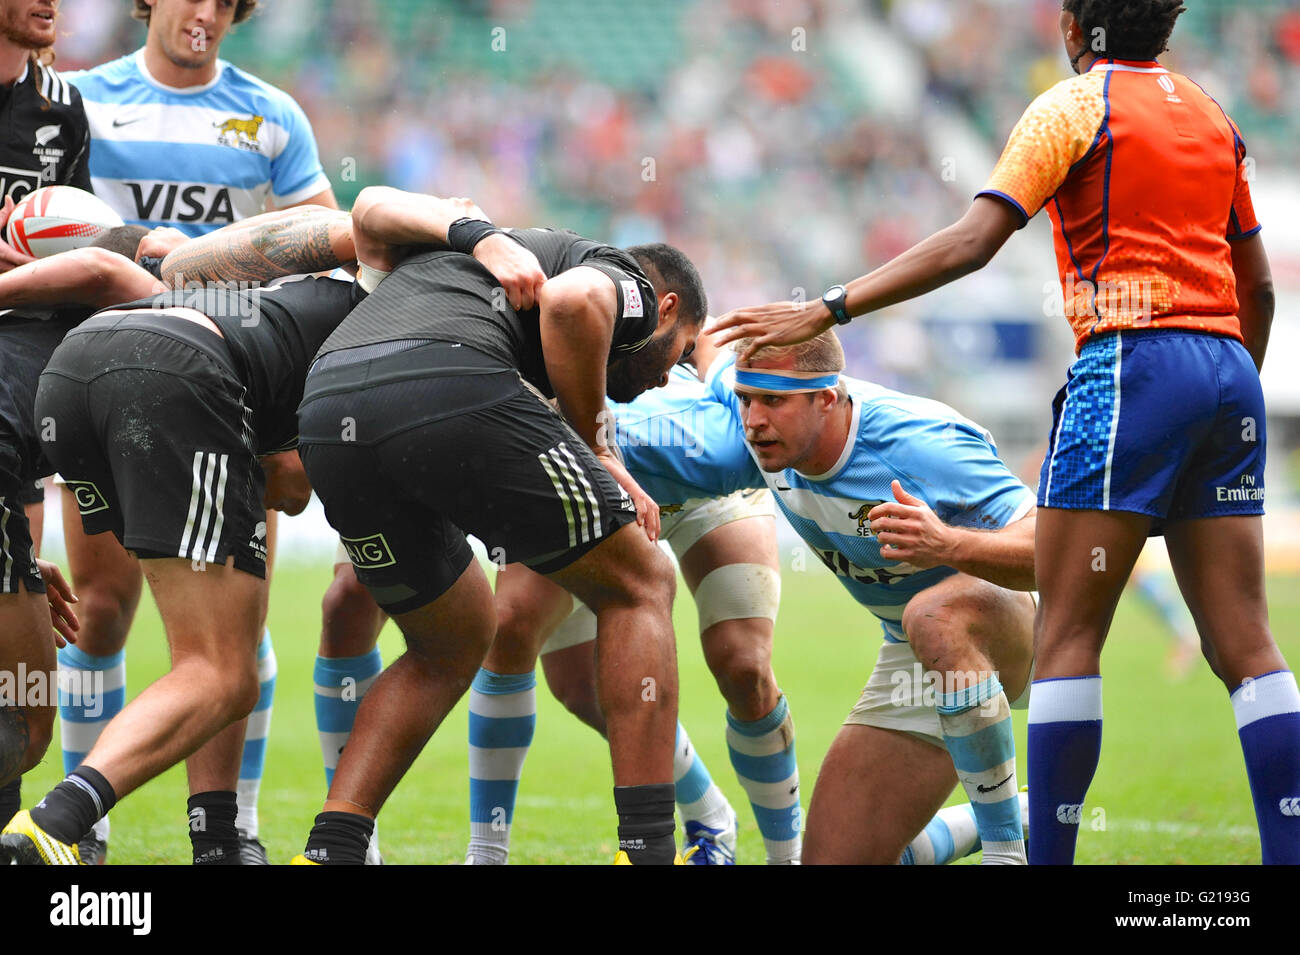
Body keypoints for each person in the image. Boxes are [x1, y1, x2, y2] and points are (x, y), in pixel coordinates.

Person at [713, 0, 1296, 865]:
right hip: (1229, 368)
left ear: (1071, 27)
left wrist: (829, 306)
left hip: (1132, 359)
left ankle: (1032, 858)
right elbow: (1259, 287)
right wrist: (1216, 404)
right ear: (1165, 32)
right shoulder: (1213, 115)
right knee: (1248, 644)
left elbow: (973, 240)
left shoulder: (1071, 105)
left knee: (1068, 632)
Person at [0, 188, 514, 865]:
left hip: (87, 399)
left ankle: (214, 839)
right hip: (166, 380)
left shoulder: (244, 296)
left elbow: (210, 261)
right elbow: (297, 480)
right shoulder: (400, 321)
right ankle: (56, 823)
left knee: (37, 715)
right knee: (221, 666)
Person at [291, 221, 706, 865]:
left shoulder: (470, 267)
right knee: (641, 581)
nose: (670, 376)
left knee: (449, 641)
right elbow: (571, 303)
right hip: (444, 377)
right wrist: (597, 445)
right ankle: (648, 850)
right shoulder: (624, 277)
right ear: (667, 308)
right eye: (681, 353)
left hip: (325, 407)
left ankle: (331, 852)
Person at [56, 0, 337, 863]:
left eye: (227, 1)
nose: (207, 13)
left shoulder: (271, 116)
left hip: (231, 381)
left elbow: (321, 246)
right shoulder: (77, 103)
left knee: (235, 627)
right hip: (109, 372)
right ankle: (85, 834)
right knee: (102, 607)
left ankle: (224, 832)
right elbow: (34, 224)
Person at [612, 331, 1037, 863]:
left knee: (932, 615)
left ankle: (1006, 851)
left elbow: (1055, 550)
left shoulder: (920, 441)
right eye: (746, 400)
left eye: (773, 402)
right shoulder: (761, 422)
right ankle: (1022, 815)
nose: (753, 419)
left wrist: (950, 544)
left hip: (996, 617)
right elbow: (703, 339)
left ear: (827, 399)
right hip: (912, 649)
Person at [0, 0, 95, 834]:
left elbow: (81, 259)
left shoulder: (60, 108)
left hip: (20, 398)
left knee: (26, 720)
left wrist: (24, 558)